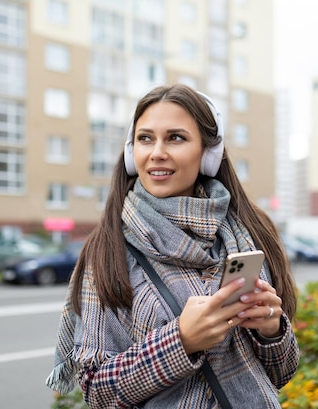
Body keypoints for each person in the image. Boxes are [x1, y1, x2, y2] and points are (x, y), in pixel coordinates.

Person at [46, 84, 299, 408]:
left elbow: (282, 372)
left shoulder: (249, 231)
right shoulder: (109, 250)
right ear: (131, 151)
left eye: (175, 138)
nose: (157, 153)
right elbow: (97, 390)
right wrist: (181, 342)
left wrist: (271, 330)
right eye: (145, 138)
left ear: (209, 154)